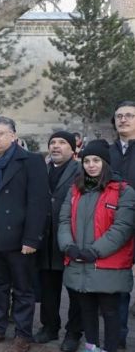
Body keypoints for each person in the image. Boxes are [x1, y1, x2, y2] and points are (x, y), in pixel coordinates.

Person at [0, 116, 50, 352]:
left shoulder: (31, 161)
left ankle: (22, 334)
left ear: (13, 136)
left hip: (19, 239)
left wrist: (31, 238)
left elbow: (39, 203)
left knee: (22, 289)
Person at [58, 140, 135, 352]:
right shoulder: (75, 190)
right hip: (78, 262)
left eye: (96, 160)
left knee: (110, 312)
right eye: (87, 161)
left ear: (106, 163)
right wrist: (68, 246)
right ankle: (92, 347)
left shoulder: (123, 191)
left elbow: (122, 228)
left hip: (107, 264)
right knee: (87, 310)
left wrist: (94, 251)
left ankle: (110, 348)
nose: (91, 165)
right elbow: (63, 220)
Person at [35, 131, 82, 351]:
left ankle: (73, 333)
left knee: (74, 290)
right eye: (52, 142)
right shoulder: (41, 170)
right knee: (48, 288)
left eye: (62, 143)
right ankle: (49, 326)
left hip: (71, 239)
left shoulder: (81, 171)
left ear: (73, 149)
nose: (56, 146)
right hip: (45, 239)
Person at [108, 100, 135, 349]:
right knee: (119, 284)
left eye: (129, 115)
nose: (123, 120)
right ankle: (117, 337)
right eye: (119, 116)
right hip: (113, 225)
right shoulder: (108, 151)